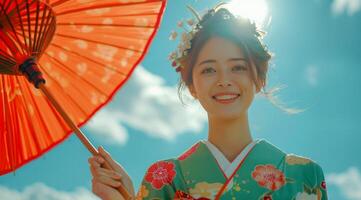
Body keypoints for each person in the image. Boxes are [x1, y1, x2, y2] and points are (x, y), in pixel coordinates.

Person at [88, 4, 328, 200]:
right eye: (208, 70)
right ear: (191, 86)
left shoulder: (305, 176)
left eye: (238, 67)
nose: (224, 80)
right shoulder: (165, 181)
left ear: (259, 78)